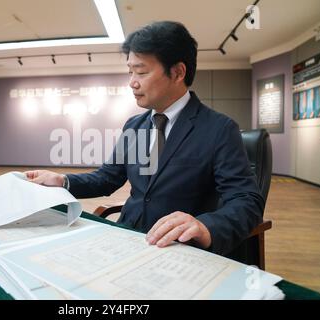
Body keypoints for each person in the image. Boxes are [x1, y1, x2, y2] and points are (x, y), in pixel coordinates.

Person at [25, 21, 264, 257]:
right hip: (126, 235)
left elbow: (246, 201)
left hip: (175, 248)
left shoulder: (218, 129)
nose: (132, 82)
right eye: (130, 71)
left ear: (178, 72)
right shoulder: (135, 125)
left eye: (141, 71)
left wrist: (206, 227)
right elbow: (107, 178)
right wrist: (62, 180)